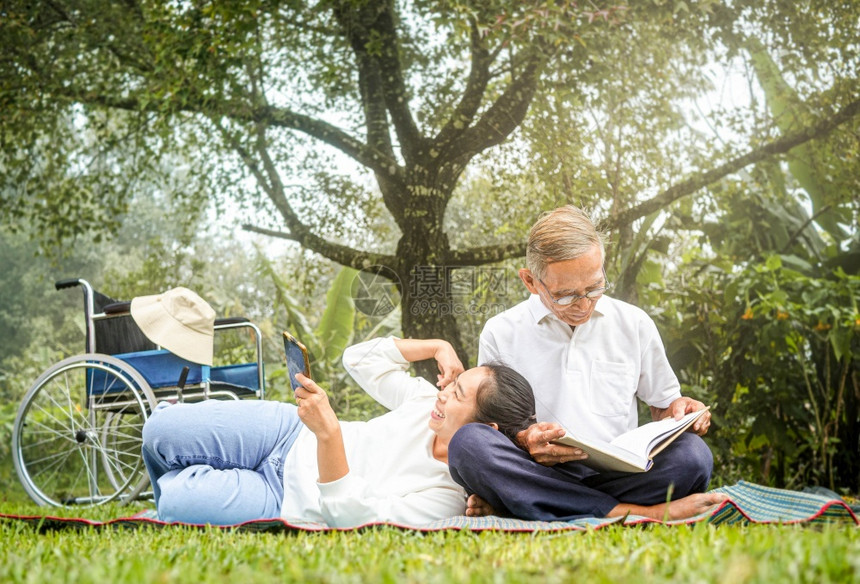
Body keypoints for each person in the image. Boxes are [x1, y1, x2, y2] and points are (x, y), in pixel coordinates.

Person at [447, 205, 728, 521]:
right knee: (469, 445)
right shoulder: (501, 331)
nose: (583, 304)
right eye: (565, 296)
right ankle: (639, 513)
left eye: (595, 287)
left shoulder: (634, 323)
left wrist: (682, 412)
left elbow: (664, 407)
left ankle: (530, 505)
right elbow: (489, 424)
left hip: (618, 477)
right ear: (530, 281)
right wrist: (526, 440)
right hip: (537, 471)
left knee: (694, 456)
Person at [141, 336, 536, 527]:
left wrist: (330, 434)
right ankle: (195, 470)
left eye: (457, 393)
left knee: (175, 499)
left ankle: (190, 480)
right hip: (285, 432)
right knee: (160, 430)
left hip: (284, 499)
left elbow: (352, 517)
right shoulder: (422, 402)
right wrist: (436, 346)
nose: (443, 392)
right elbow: (359, 359)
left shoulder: (445, 496)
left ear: (487, 428)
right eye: (452, 382)